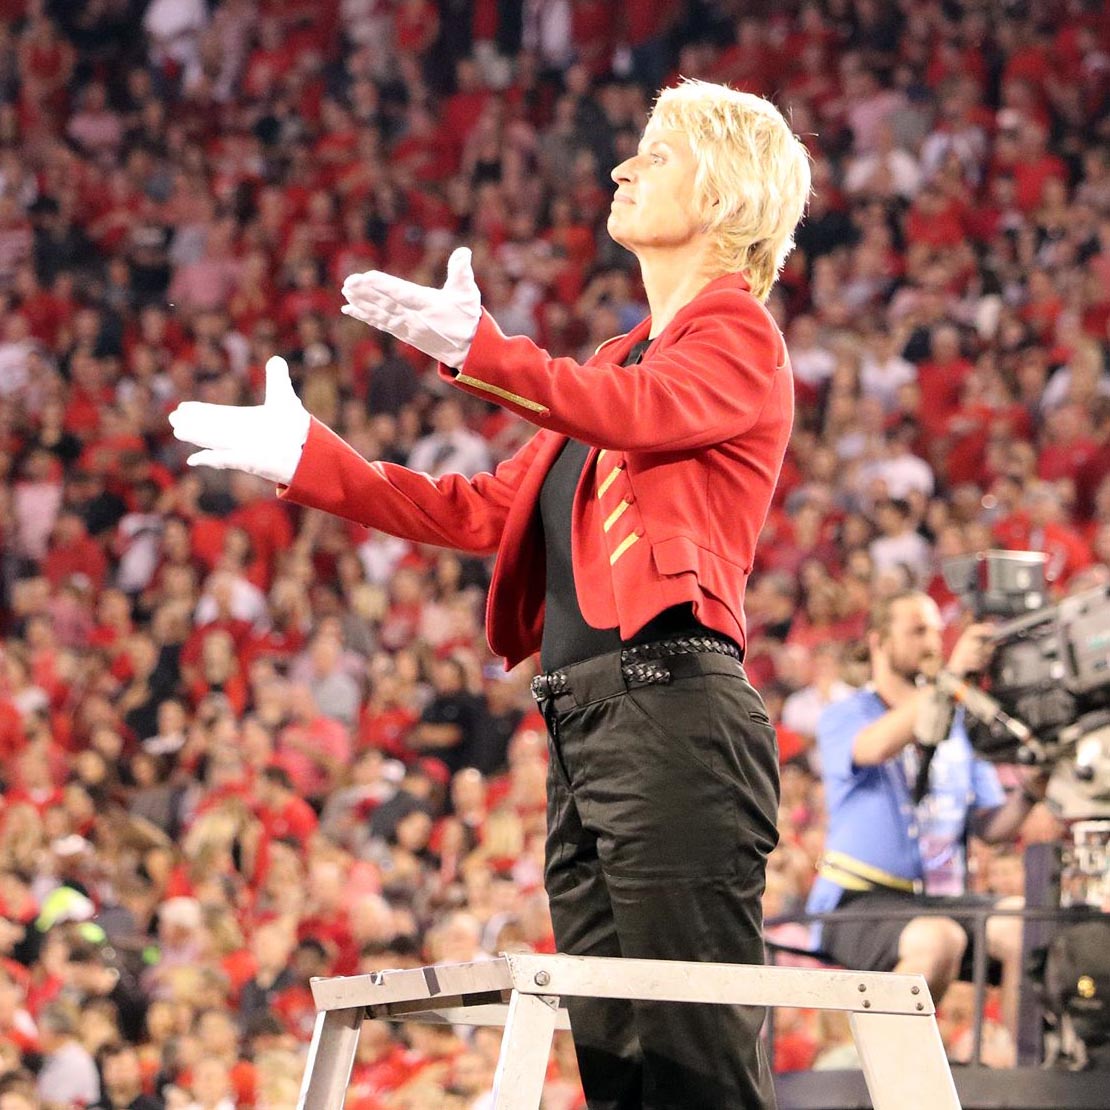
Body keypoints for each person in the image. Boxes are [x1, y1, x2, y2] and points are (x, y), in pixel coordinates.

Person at [170, 78, 811, 1109]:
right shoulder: (614, 360)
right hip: (586, 724)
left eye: (654, 151)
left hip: (675, 713)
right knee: (618, 1067)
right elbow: (483, 510)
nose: (621, 167)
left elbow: (634, 414)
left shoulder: (735, 337)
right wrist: (312, 460)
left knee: (694, 1068)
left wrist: (478, 352)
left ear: (729, 193)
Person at [805, 589, 1049, 1042]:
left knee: (1027, 923)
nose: (933, 642)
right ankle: (883, 1084)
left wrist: (1030, 795)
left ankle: (1022, 1077)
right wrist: (952, 678)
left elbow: (991, 828)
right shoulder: (846, 713)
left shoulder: (958, 726)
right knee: (939, 941)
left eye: (937, 629)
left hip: (938, 898)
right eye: (917, 630)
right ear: (879, 642)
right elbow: (876, 746)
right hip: (858, 899)